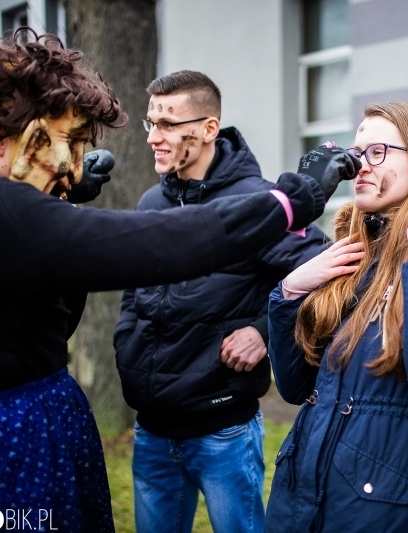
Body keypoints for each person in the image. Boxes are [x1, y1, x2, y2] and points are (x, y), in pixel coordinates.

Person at [0, 29, 357, 532]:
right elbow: (150, 246)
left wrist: (262, 330)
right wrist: (291, 200)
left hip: (203, 420)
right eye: (68, 141)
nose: (72, 164)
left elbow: (51, 315)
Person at [112, 70, 328, 533]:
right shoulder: (151, 202)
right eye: (151, 123)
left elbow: (324, 271)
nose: (154, 136)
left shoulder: (258, 202)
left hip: (221, 432)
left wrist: (265, 332)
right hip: (151, 430)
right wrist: (125, 342)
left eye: (168, 123)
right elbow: (134, 289)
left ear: (209, 128)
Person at [264, 102, 408, 532]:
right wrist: (289, 293)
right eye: (355, 153)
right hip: (299, 501)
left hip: (380, 510)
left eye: (377, 152)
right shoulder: (350, 254)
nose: (357, 167)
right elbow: (295, 388)